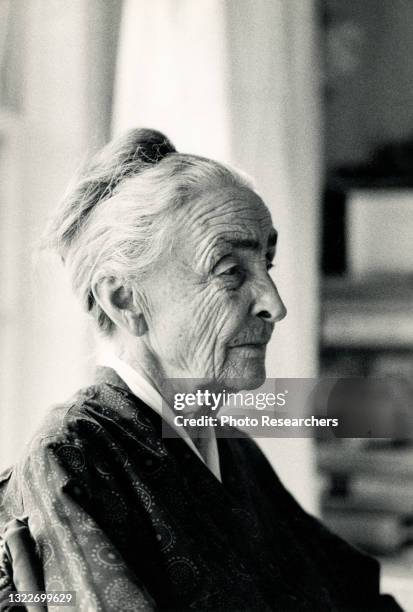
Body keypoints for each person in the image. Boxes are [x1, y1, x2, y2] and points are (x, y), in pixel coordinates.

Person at [0, 130, 401, 611]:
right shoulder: (74, 456)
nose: (274, 304)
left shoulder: (226, 444)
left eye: (267, 264)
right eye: (229, 270)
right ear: (125, 299)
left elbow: (350, 594)